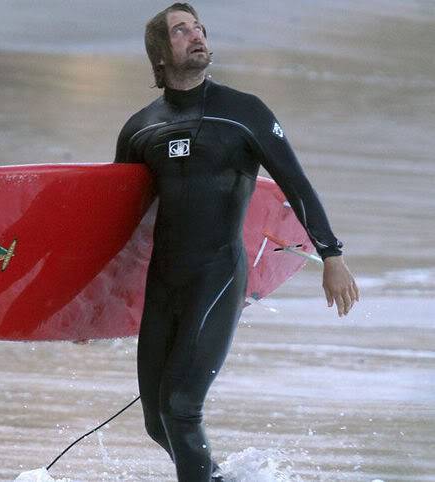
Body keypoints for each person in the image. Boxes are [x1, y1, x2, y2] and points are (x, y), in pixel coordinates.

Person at [114, 3, 359, 481]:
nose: (197, 35)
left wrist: (332, 255)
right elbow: (124, 223)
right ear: (160, 56)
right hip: (163, 285)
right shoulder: (139, 129)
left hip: (217, 275)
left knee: (182, 408)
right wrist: (88, 306)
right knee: (156, 421)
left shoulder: (243, 113)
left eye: (199, 27)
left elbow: (296, 184)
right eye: (181, 30)